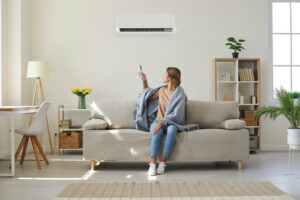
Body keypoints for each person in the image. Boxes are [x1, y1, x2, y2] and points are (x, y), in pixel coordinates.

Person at [139, 67, 184, 176]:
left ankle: (163, 162)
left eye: (164, 74)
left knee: (172, 130)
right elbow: (147, 96)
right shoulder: (162, 90)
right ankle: (153, 163)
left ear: (170, 78)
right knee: (157, 131)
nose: (162, 76)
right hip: (157, 121)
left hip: (172, 122)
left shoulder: (180, 94)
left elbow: (177, 114)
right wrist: (144, 81)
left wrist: (161, 123)